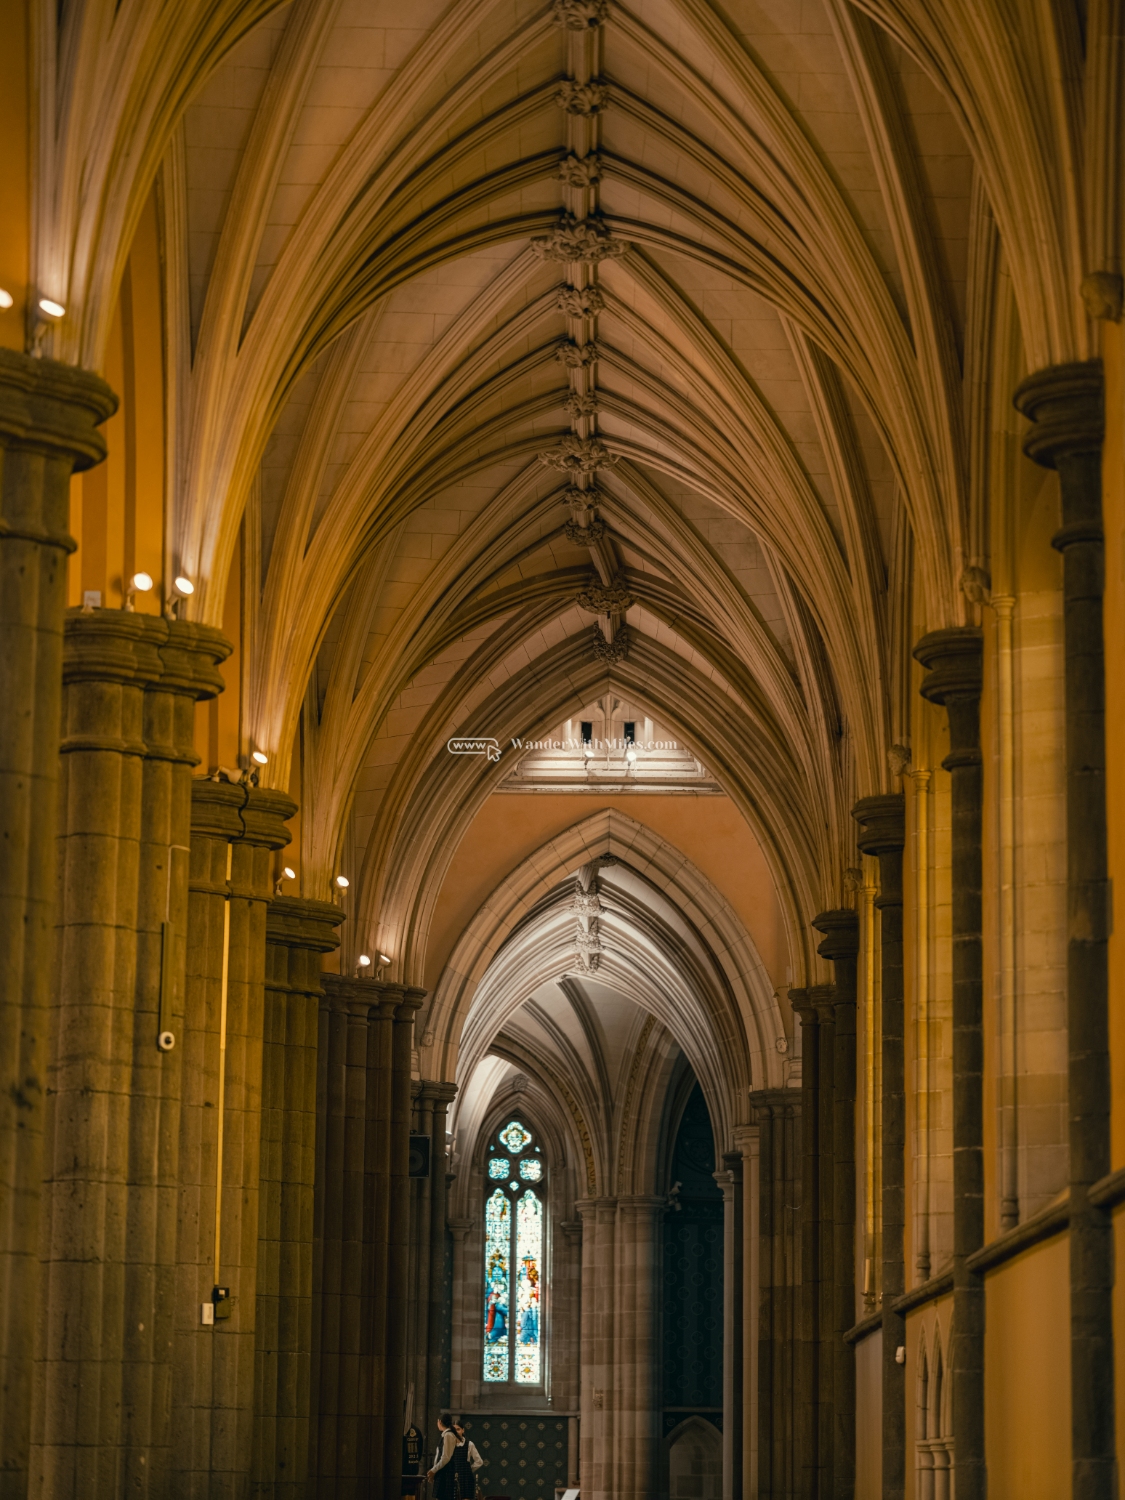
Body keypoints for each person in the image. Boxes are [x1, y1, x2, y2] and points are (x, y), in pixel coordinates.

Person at [427, 1414, 476, 1499]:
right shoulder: (445, 1435)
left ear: (439, 1422)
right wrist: (435, 1471)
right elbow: (438, 1456)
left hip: (446, 1472)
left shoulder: (448, 1435)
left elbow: (445, 1457)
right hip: (441, 1471)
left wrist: (433, 1470)